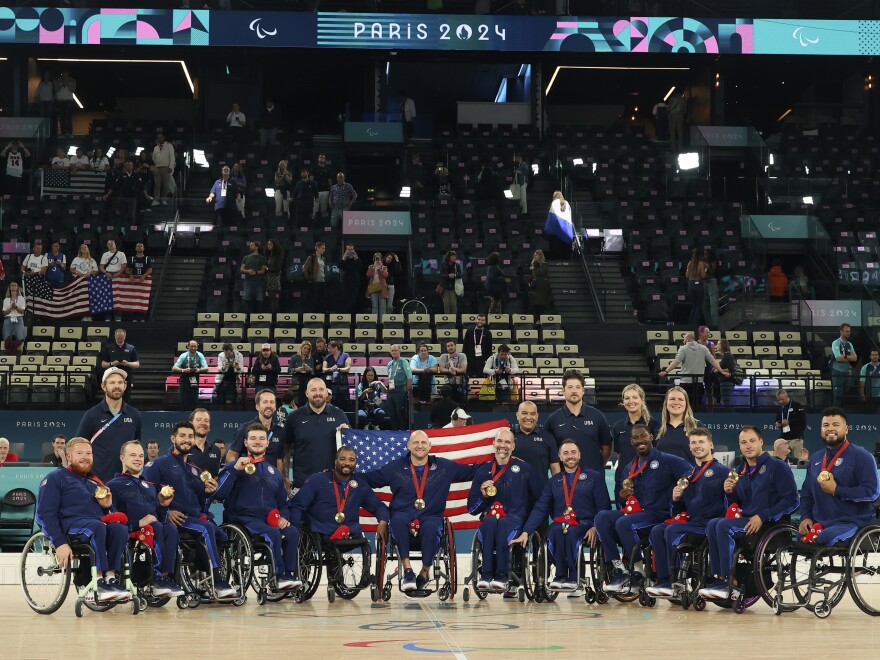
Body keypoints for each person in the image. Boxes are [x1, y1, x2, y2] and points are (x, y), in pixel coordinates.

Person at [363, 430, 477, 591]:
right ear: (408, 445)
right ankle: (408, 571)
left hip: (431, 516)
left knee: (431, 527)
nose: (420, 446)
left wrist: (500, 463)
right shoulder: (395, 467)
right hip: (402, 514)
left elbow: (471, 472)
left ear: (430, 446)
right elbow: (369, 479)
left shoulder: (443, 466)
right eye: (415, 443)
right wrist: (341, 475)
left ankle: (425, 572)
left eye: (423, 443)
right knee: (397, 520)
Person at [699, 426, 799, 600]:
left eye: (752, 441)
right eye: (743, 442)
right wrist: (729, 493)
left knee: (722, 525)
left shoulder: (777, 466)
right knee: (713, 523)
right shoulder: (739, 471)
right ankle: (719, 578)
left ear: (761, 442)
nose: (748, 446)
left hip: (770, 524)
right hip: (746, 522)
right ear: (739, 446)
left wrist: (763, 516)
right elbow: (737, 505)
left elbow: (792, 501)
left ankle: (729, 582)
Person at [142, 422, 236, 598]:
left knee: (219, 533)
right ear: (173, 438)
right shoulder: (160, 464)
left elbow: (202, 501)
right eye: (182, 436)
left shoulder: (196, 470)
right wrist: (166, 511)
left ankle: (204, 574)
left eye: (190, 437)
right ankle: (217, 581)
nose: (186, 440)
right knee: (206, 528)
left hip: (194, 517)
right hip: (175, 518)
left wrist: (207, 492)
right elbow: (147, 492)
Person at [596, 424, 692, 593]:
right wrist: (623, 497)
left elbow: (690, 474)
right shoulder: (628, 468)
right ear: (631, 442)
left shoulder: (668, 460)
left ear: (651, 437)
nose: (640, 440)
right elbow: (626, 501)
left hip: (659, 515)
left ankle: (638, 573)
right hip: (638, 515)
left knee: (624, 523)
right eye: (635, 438)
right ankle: (620, 569)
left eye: (643, 436)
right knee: (602, 517)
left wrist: (680, 492)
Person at [36, 437, 131, 601]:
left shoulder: (96, 482)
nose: (85, 457)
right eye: (79, 453)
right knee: (97, 526)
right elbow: (44, 514)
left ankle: (111, 577)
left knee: (119, 528)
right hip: (70, 526)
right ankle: (98, 581)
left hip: (95, 524)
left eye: (89, 453)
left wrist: (107, 506)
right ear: (68, 457)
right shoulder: (54, 478)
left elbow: (110, 514)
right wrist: (59, 543)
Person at [512, 439, 611, 590]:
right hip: (561, 523)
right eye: (566, 453)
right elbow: (540, 508)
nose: (570, 456)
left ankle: (574, 577)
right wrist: (526, 531)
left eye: (573, 452)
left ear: (579, 455)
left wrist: (595, 527)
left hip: (585, 524)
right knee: (553, 531)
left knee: (570, 532)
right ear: (559, 456)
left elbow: (604, 507)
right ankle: (560, 576)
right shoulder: (554, 481)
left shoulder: (594, 477)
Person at [215, 424, 302, 591]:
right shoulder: (235, 466)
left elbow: (283, 503)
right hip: (243, 519)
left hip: (267, 520)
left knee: (292, 532)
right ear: (246, 442)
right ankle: (278, 577)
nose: (257, 442)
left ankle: (288, 576)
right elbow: (219, 494)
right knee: (272, 533)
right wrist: (234, 470)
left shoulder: (273, 472)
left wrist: (284, 517)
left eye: (262, 438)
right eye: (253, 438)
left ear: (267, 443)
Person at [646, 427, 728, 597]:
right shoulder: (687, 475)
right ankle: (664, 579)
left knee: (671, 530)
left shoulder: (723, 472)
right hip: (691, 522)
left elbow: (733, 502)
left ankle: (676, 580)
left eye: (701, 442)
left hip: (711, 524)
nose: (697, 446)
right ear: (689, 447)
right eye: (693, 443)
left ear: (711, 445)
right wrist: (675, 500)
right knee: (657, 530)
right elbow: (678, 510)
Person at [107, 441, 184, 597]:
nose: (138, 459)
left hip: (155, 528)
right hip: (131, 531)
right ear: (122, 458)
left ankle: (166, 576)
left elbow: (159, 517)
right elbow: (111, 519)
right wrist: (137, 523)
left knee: (169, 527)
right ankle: (154, 577)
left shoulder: (149, 485)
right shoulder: (113, 485)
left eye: (141, 455)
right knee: (153, 528)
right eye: (133, 455)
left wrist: (163, 505)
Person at [467, 428, 542, 591]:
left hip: (515, 519)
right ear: (493, 444)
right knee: (491, 523)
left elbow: (541, 499)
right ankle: (486, 575)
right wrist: (483, 496)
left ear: (513, 446)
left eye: (507, 442)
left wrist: (528, 529)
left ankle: (502, 575)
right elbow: (471, 509)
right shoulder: (482, 471)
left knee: (502, 525)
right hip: (490, 519)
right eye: (500, 441)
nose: (503, 445)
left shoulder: (524, 469)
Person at [798, 407, 880, 547]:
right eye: (826, 425)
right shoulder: (815, 459)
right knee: (798, 539)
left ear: (846, 429)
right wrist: (805, 517)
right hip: (822, 522)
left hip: (853, 521)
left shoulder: (862, 456)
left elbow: (872, 492)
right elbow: (806, 494)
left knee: (824, 538)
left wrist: (837, 490)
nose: (830, 428)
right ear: (821, 430)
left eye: (836, 425)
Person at [289, 446, 389, 549]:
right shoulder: (318, 480)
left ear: (356, 463)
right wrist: (295, 531)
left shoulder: (360, 485)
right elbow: (297, 505)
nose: (347, 463)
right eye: (342, 459)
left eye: (352, 460)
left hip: (348, 533)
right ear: (335, 461)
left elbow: (378, 506)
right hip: (321, 531)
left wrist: (383, 521)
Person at [75, 367, 143, 482]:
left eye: (120, 382)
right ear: (103, 386)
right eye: (112, 382)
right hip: (97, 481)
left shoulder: (135, 415)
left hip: (126, 481)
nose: (117, 386)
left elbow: (136, 447)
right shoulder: (91, 415)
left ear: (125, 386)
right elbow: (78, 447)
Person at [283, 378, 349, 491]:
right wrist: (285, 477)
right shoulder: (294, 418)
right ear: (307, 393)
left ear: (326, 393)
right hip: (302, 486)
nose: (317, 393)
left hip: (333, 485)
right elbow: (285, 450)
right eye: (313, 390)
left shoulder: (339, 415)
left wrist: (347, 435)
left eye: (321, 389)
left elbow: (349, 450)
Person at [544, 369, 612, 473]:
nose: (574, 391)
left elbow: (606, 449)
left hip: (594, 481)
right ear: (563, 390)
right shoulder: (553, 420)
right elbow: (549, 453)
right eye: (570, 387)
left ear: (583, 391)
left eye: (578, 387)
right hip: (564, 483)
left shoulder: (597, 416)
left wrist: (596, 467)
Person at [610, 384, 660, 500]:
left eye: (635, 397)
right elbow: (619, 455)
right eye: (627, 398)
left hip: (647, 481)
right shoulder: (618, 427)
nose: (631, 401)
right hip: (623, 481)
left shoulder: (653, 425)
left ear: (642, 399)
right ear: (623, 401)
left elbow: (656, 455)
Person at [658, 331, 728, 410]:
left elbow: (676, 362)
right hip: (699, 382)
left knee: (685, 405)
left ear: (687, 340)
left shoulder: (683, 348)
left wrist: (666, 371)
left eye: (684, 339)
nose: (683, 341)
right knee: (697, 405)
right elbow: (713, 361)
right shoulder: (703, 348)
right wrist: (721, 371)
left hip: (685, 382)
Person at [227, 388, 287, 476]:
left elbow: (279, 460)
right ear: (257, 406)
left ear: (275, 407)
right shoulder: (245, 429)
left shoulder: (280, 431)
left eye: (272, 402)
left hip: (270, 483)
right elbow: (230, 456)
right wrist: (240, 472)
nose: (269, 405)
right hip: (248, 480)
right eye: (265, 402)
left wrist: (281, 481)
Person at [512, 400, 559, 486]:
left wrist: (557, 491)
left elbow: (555, 469)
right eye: (524, 413)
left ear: (537, 416)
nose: (529, 417)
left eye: (533, 414)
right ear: (517, 415)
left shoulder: (548, 437)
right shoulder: (509, 436)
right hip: (513, 492)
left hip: (540, 494)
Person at [653, 386, 700, 465]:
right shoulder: (657, 429)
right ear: (666, 403)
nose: (676, 402)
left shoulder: (697, 427)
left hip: (690, 476)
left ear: (686, 404)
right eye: (672, 399)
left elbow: (708, 459)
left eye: (680, 399)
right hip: (663, 477)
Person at [100, 328, 140, 401]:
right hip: (111, 377)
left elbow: (137, 364)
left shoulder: (131, 348)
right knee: (111, 398)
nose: (119, 340)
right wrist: (112, 364)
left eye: (121, 338)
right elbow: (103, 364)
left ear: (124, 337)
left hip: (126, 377)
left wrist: (127, 363)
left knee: (126, 399)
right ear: (115, 336)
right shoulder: (108, 348)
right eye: (118, 338)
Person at [172, 340, 209, 411]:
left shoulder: (200, 355)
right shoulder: (183, 355)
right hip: (184, 379)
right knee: (184, 400)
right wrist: (183, 370)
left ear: (197, 347)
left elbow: (206, 368)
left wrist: (198, 370)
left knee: (194, 400)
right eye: (191, 346)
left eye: (195, 346)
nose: (193, 348)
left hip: (195, 379)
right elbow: (174, 368)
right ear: (188, 346)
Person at [187, 408, 222, 477]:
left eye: (206, 421)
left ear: (209, 427)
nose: (203, 423)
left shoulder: (216, 450)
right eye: (198, 420)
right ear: (190, 425)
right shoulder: (180, 448)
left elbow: (215, 477)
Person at [386, 344, 414, 431]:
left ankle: (403, 431)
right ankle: (394, 431)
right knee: (391, 412)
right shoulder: (389, 364)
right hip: (390, 390)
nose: (394, 352)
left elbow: (409, 378)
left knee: (399, 411)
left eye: (396, 350)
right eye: (392, 351)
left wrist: (406, 391)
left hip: (400, 390)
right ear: (390, 352)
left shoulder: (403, 362)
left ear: (399, 351)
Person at [831, 323, 858, 406]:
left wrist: (845, 356)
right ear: (841, 332)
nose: (848, 333)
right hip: (837, 371)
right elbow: (838, 358)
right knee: (838, 395)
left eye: (849, 331)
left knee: (846, 393)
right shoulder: (836, 343)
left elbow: (855, 358)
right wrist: (849, 358)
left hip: (846, 372)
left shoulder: (849, 344)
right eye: (846, 331)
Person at [774, 388, 806, 457]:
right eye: (779, 400)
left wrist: (789, 422)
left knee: (799, 460)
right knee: (781, 459)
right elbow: (777, 420)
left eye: (782, 399)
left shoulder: (797, 405)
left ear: (787, 396)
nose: (780, 402)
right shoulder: (780, 408)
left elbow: (802, 420)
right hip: (784, 439)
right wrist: (777, 424)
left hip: (796, 438)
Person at [323, 340, 353, 411]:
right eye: (328, 348)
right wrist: (331, 369)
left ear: (336, 347)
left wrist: (338, 369)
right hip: (331, 383)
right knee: (332, 401)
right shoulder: (327, 357)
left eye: (330, 348)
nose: (328, 350)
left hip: (343, 383)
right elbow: (324, 369)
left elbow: (348, 368)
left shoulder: (346, 355)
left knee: (343, 402)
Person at [437, 340, 468, 404]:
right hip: (448, 384)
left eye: (451, 345)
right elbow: (441, 369)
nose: (450, 347)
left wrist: (454, 370)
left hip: (461, 383)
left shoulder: (462, 355)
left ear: (455, 346)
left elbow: (464, 369)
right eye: (448, 346)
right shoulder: (443, 356)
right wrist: (449, 371)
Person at [215, 343, 244, 409]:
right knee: (220, 400)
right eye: (226, 354)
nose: (227, 355)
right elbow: (219, 368)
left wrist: (238, 367)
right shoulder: (221, 355)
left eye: (229, 354)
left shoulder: (239, 355)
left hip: (232, 382)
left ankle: (228, 415)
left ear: (232, 350)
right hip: (222, 381)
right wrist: (224, 367)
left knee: (229, 401)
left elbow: (241, 370)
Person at [303, 242, 328, 313]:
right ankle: (312, 316)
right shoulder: (311, 257)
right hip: (314, 282)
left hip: (322, 282)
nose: (324, 250)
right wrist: (309, 278)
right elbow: (305, 269)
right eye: (323, 248)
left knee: (321, 300)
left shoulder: (323, 258)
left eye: (324, 248)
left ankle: (319, 315)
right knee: (313, 300)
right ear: (318, 248)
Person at [685, 248, 707, 327]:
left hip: (690, 284)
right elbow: (703, 276)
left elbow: (686, 275)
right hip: (698, 283)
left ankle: (690, 323)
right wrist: (706, 268)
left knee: (694, 305)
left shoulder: (690, 263)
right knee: (699, 305)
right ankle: (695, 324)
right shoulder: (701, 263)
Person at [2, 282, 26, 355]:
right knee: (6, 338)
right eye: (12, 285)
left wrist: (15, 307)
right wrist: (10, 308)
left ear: (17, 288)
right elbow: (4, 313)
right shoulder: (6, 300)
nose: (14, 286)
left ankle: (20, 354)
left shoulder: (21, 299)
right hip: (8, 319)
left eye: (15, 285)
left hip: (18, 319)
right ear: (9, 288)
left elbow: (22, 312)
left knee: (20, 338)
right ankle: (7, 354)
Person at [289, 340, 315, 407]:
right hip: (296, 380)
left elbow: (313, 372)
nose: (306, 350)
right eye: (305, 348)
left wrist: (309, 369)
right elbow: (289, 370)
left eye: (308, 349)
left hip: (306, 380)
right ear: (301, 348)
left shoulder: (310, 358)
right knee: (296, 400)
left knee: (305, 400)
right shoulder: (294, 357)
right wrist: (296, 369)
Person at [340, 244, 364, 316]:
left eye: (351, 249)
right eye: (348, 249)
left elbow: (361, 267)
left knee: (353, 300)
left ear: (354, 250)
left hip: (354, 283)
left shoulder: (356, 260)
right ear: (346, 250)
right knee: (345, 299)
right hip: (345, 283)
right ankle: (345, 315)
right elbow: (339, 265)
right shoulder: (344, 260)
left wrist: (356, 257)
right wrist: (344, 257)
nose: (350, 251)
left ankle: (351, 316)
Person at [438, 251, 463, 316]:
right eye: (452, 256)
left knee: (453, 304)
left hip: (453, 287)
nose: (454, 257)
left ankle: (453, 320)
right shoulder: (443, 264)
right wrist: (448, 275)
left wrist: (454, 275)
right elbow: (441, 275)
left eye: (455, 256)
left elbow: (460, 275)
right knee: (446, 304)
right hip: (445, 287)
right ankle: (448, 320)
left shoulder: (456, 265)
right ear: (448, 257)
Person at [366, 252, 389, 321]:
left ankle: (382, 321)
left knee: (382, 306)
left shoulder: (384, 267)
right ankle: (374, 321)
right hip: (374, 287)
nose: (377, 259)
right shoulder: (370, 266)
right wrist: (373, 267)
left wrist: (381, 268)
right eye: (376, 258)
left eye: (378, 258)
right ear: (374, 259)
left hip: (382, 288)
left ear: (381, 259)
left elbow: (385, 275)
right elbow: (368, 275)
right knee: (374, 306)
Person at [528, 250, 552, 316]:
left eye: (536, 255)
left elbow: (541, 272)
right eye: (534, 255)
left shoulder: (544, 264)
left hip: (542, 286)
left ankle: (541, 318)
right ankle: (536, 319)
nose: (535, 256)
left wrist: (533, 268)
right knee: (535, 304)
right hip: (536, 286)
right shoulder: (534, 264)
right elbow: (533, 275)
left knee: (541, 303)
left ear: (540, 256)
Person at [310, 153, 333, 221]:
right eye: (320, 157)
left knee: (324, 209)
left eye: (323, 157)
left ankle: (323, 223)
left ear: (325, 159)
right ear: (318, 159)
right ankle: (313, 223)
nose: (321, 158)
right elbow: (311, 179)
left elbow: (330, 180)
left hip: (325, 191)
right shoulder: (314, 168)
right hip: (316, 191)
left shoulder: (328, 169)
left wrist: (331, 190)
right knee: (315, 209)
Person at [717, 339, 738, 410]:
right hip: (724, 382)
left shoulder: (727, 355)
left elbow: (731, 368)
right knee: (726, 401)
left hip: (727, 382)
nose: (717, 346)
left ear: (723, 345)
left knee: (727, 402)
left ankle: (731, 418)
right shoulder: (725, 356)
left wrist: (718, 370)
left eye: (718, 344)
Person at [264, 239, 284, 315]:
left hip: (274, 278)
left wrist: (266, 268)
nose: (268, 246)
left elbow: (277, 268)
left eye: (270, 244)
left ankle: (275, 316)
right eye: (268, 244)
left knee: (273, 299)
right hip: (269, 278)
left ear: (274, 246)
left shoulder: (277, 256)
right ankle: (274, 316)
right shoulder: (269, 255)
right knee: (271, 299)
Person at [53, 72, 76, 137]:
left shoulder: (72, 80)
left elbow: (72, 90)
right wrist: (63, 84)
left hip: (68, 101)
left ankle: (70, 132)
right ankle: (63, 133)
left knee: (68, 117)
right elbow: (56, 90)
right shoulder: (58, 81)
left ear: (68, 74)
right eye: (63, 74)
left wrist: (67, 83)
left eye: (66, 74)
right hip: (60, 101)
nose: (64, 75)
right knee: (62, 118)